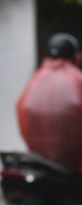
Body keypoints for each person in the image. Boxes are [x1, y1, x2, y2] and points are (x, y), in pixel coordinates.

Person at [17, 33, 82, 171]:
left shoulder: (36, 78)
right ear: (76, 57)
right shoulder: (76, 78)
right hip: (73, 164)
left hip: (39, 160)